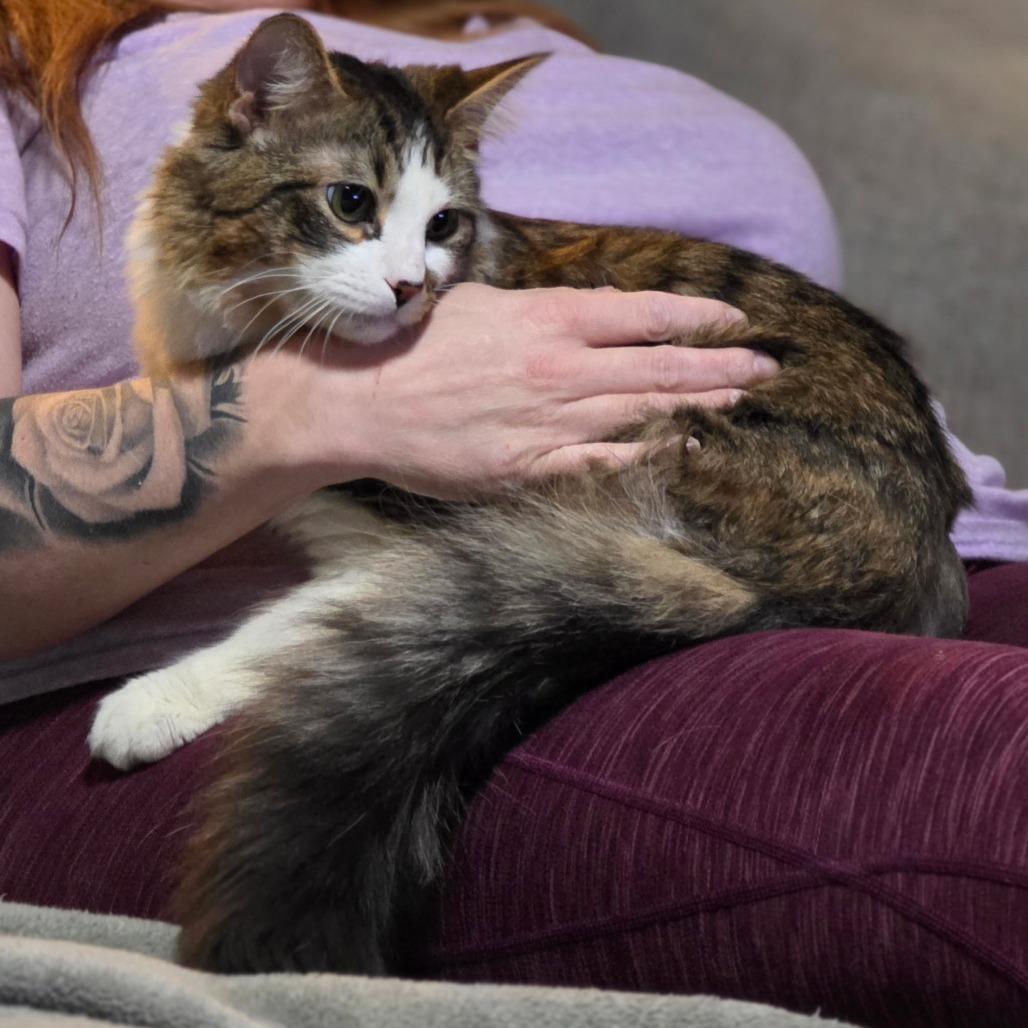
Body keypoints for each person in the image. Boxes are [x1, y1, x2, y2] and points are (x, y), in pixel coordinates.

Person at [1, 2, 1026, 1026]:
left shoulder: (501, 61)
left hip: (902, 545)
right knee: (993, 796)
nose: (411, 280)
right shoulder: (40, 50)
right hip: (675, 603)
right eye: (355, 204)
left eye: (442, 228)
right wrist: (325, 404)